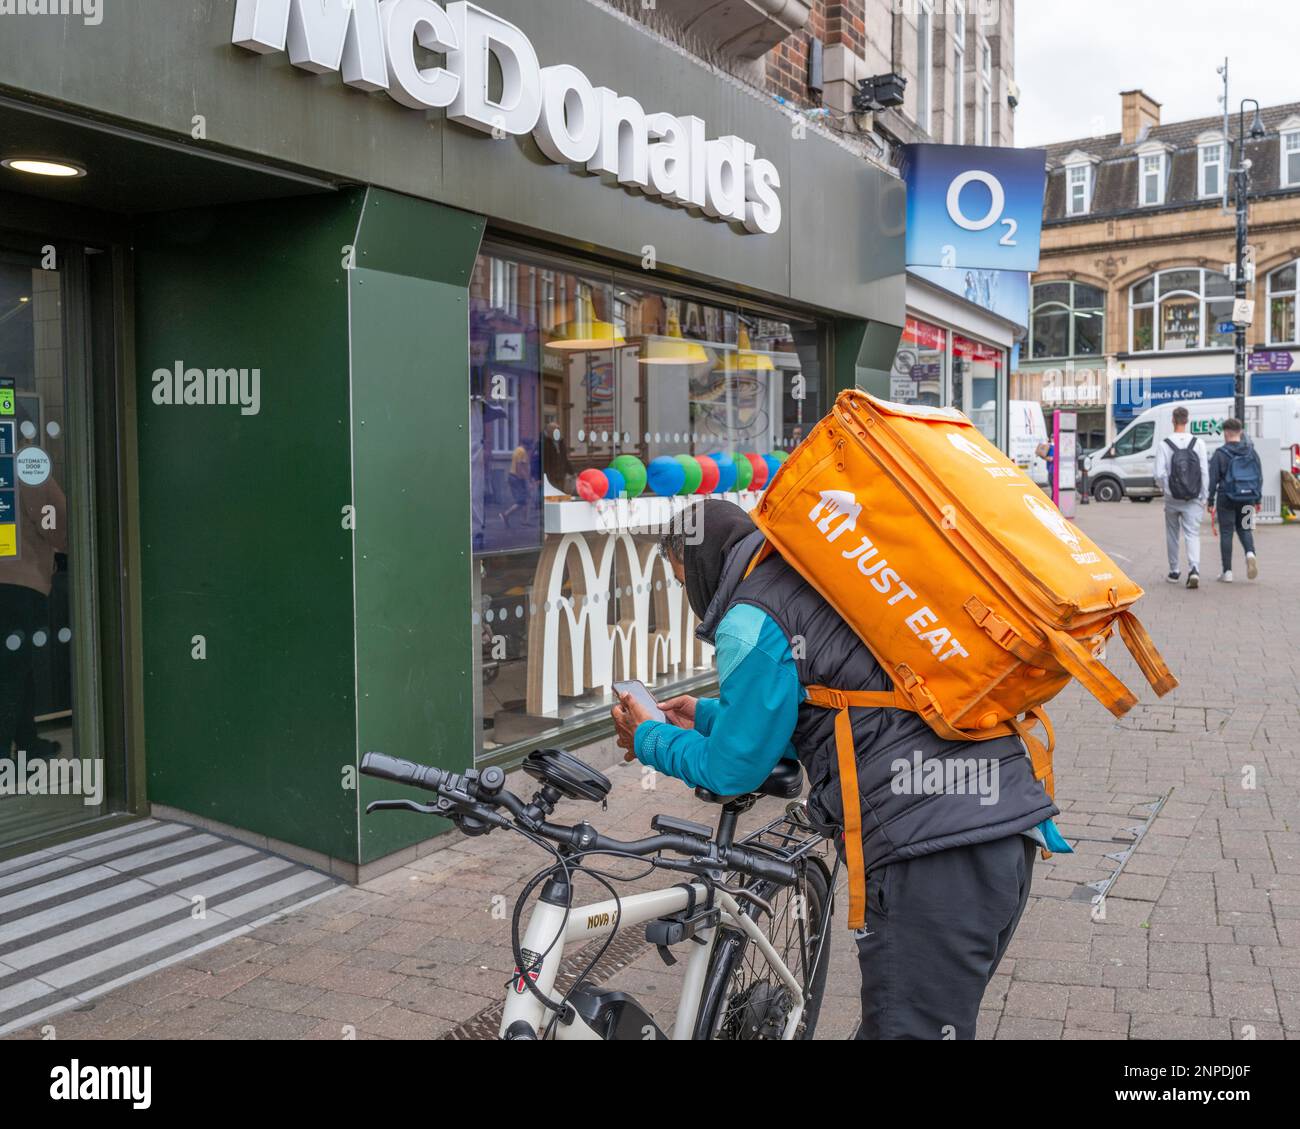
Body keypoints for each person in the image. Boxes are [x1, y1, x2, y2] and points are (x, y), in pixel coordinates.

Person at [611, 499, 1070, 1041]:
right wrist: (708, 715)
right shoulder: (816, 578)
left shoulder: (750, 616)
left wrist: (648, 736)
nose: (688, 597)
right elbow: (828, 702)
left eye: (681, 577)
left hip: (931, 856)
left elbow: (732, 769)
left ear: (702, 561)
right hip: (998, 830)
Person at [1154, 406, 1209, 589]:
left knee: (1172, 534)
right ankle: (1194, 569)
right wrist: (1204, 495)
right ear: (1187, 421)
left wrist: (1168, 491)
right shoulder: (1198, 443)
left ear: (1173, 420)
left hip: (1172, 499)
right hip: (1193, 498)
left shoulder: (1164, 444)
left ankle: (1174, 571)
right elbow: (1203, 471)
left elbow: (1159, 474)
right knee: (1192, 534)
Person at [1207, 419, 1262, 583]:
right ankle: (1250, 554)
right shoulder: (1252, 452)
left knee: (1226, 532)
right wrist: (1257, 498)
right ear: (1241, 432)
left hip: (1226, 497)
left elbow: (1213, 479)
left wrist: (1210, 501)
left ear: (1225, 433)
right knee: (1246, 529)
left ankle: (1227, 572)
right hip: (1248, 497)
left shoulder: (1220, 453)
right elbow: (1259, 477)